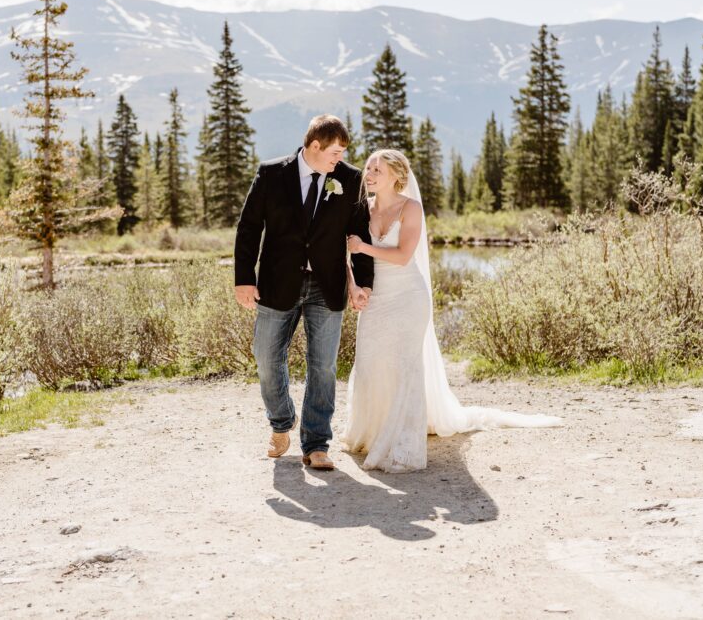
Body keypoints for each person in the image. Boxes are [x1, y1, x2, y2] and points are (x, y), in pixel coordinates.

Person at [343, 149, 563, 473]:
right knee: (370, 362)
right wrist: (354, 287)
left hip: (407, 297)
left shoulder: (411, 208)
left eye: (377, 169)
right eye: (368, 168)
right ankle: (370, 432)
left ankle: (402, 440)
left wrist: (363, 247)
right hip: (375, 298)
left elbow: (404, 255)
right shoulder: (362, 208)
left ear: (396, 176)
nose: (369, 174)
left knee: (404, 366)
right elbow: (346, 255)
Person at [234, 114, 373, 471]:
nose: (339, 158)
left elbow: (360, 235)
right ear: (314, 146)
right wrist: (244, 278)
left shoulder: (350, 179)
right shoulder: (271, 174)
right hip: (277, 283)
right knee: (266, 357)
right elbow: (249, 228)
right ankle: (281, 423)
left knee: (323, 366)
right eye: (335, 151)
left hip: (327, 286)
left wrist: (363, 284)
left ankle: (316, 443)